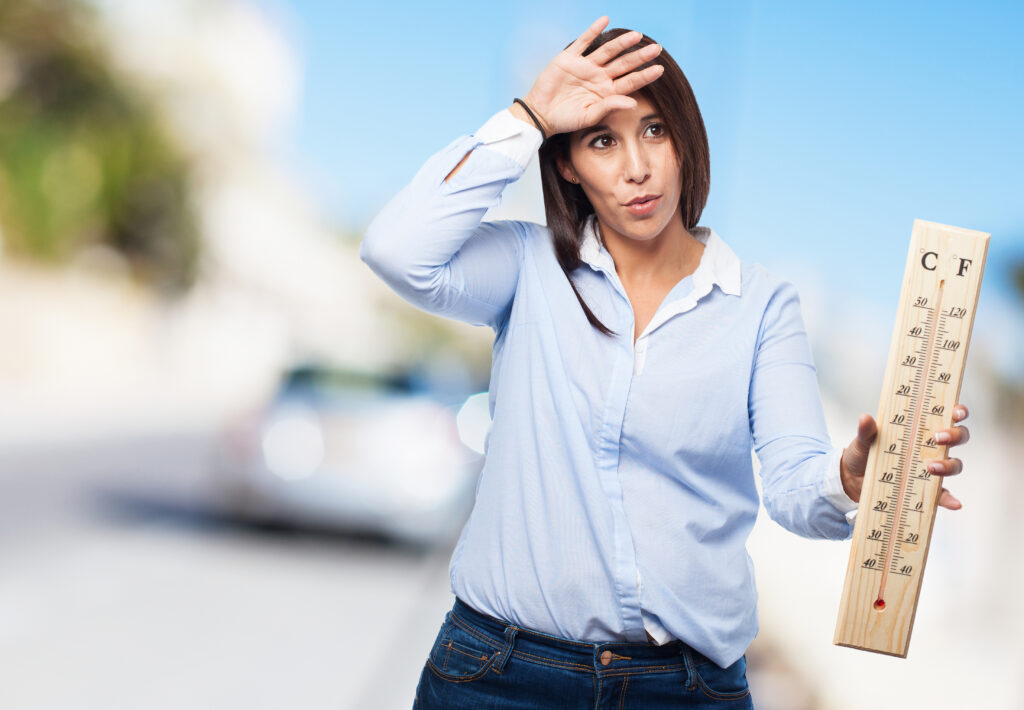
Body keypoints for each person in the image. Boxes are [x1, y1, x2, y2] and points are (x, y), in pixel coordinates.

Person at [359, 16, 971, 709]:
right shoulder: (527, 266)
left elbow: (796, 490)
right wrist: (529, 118)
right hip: (498, 676)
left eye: (654, 130)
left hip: (684, 690)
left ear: (685, 139)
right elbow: (396, 250)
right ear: (567, 164)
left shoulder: (761, 306)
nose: (637, 167)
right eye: (601, 140)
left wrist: (851, 478)